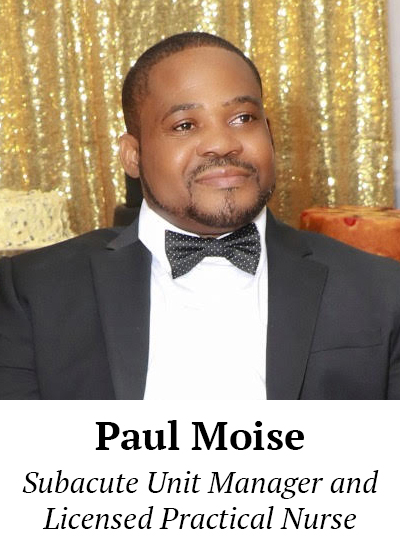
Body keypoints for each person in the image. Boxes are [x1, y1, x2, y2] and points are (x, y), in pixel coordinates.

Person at [1, 32, 400, 399]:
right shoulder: (32, 293)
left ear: (270, 134)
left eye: (243, 118)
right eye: (185, 125)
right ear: (133, 155)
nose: (222, 143)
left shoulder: (380, 291)